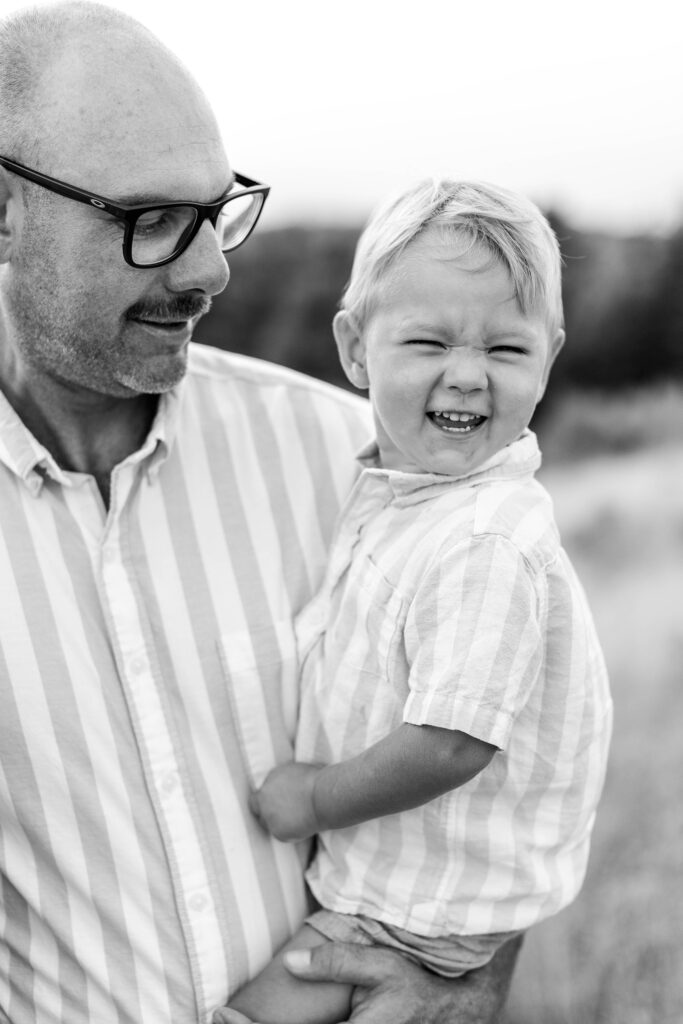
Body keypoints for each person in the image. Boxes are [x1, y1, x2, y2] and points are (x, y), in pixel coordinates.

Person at [0, 3, 523, 1022]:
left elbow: (494, 776)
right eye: (148, 221)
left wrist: (465, 983)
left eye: (215, 211)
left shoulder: (356, 466)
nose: (208, 271)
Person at [224, 180, 613, 1024]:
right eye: (428, 340)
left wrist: (315, 798)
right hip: (401, 886)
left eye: (505, 351)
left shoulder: (482, 535)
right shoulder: (410, 498)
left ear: (548, 356)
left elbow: (449, 743)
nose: (467, 375)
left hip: (420, 909)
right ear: (356, 348)